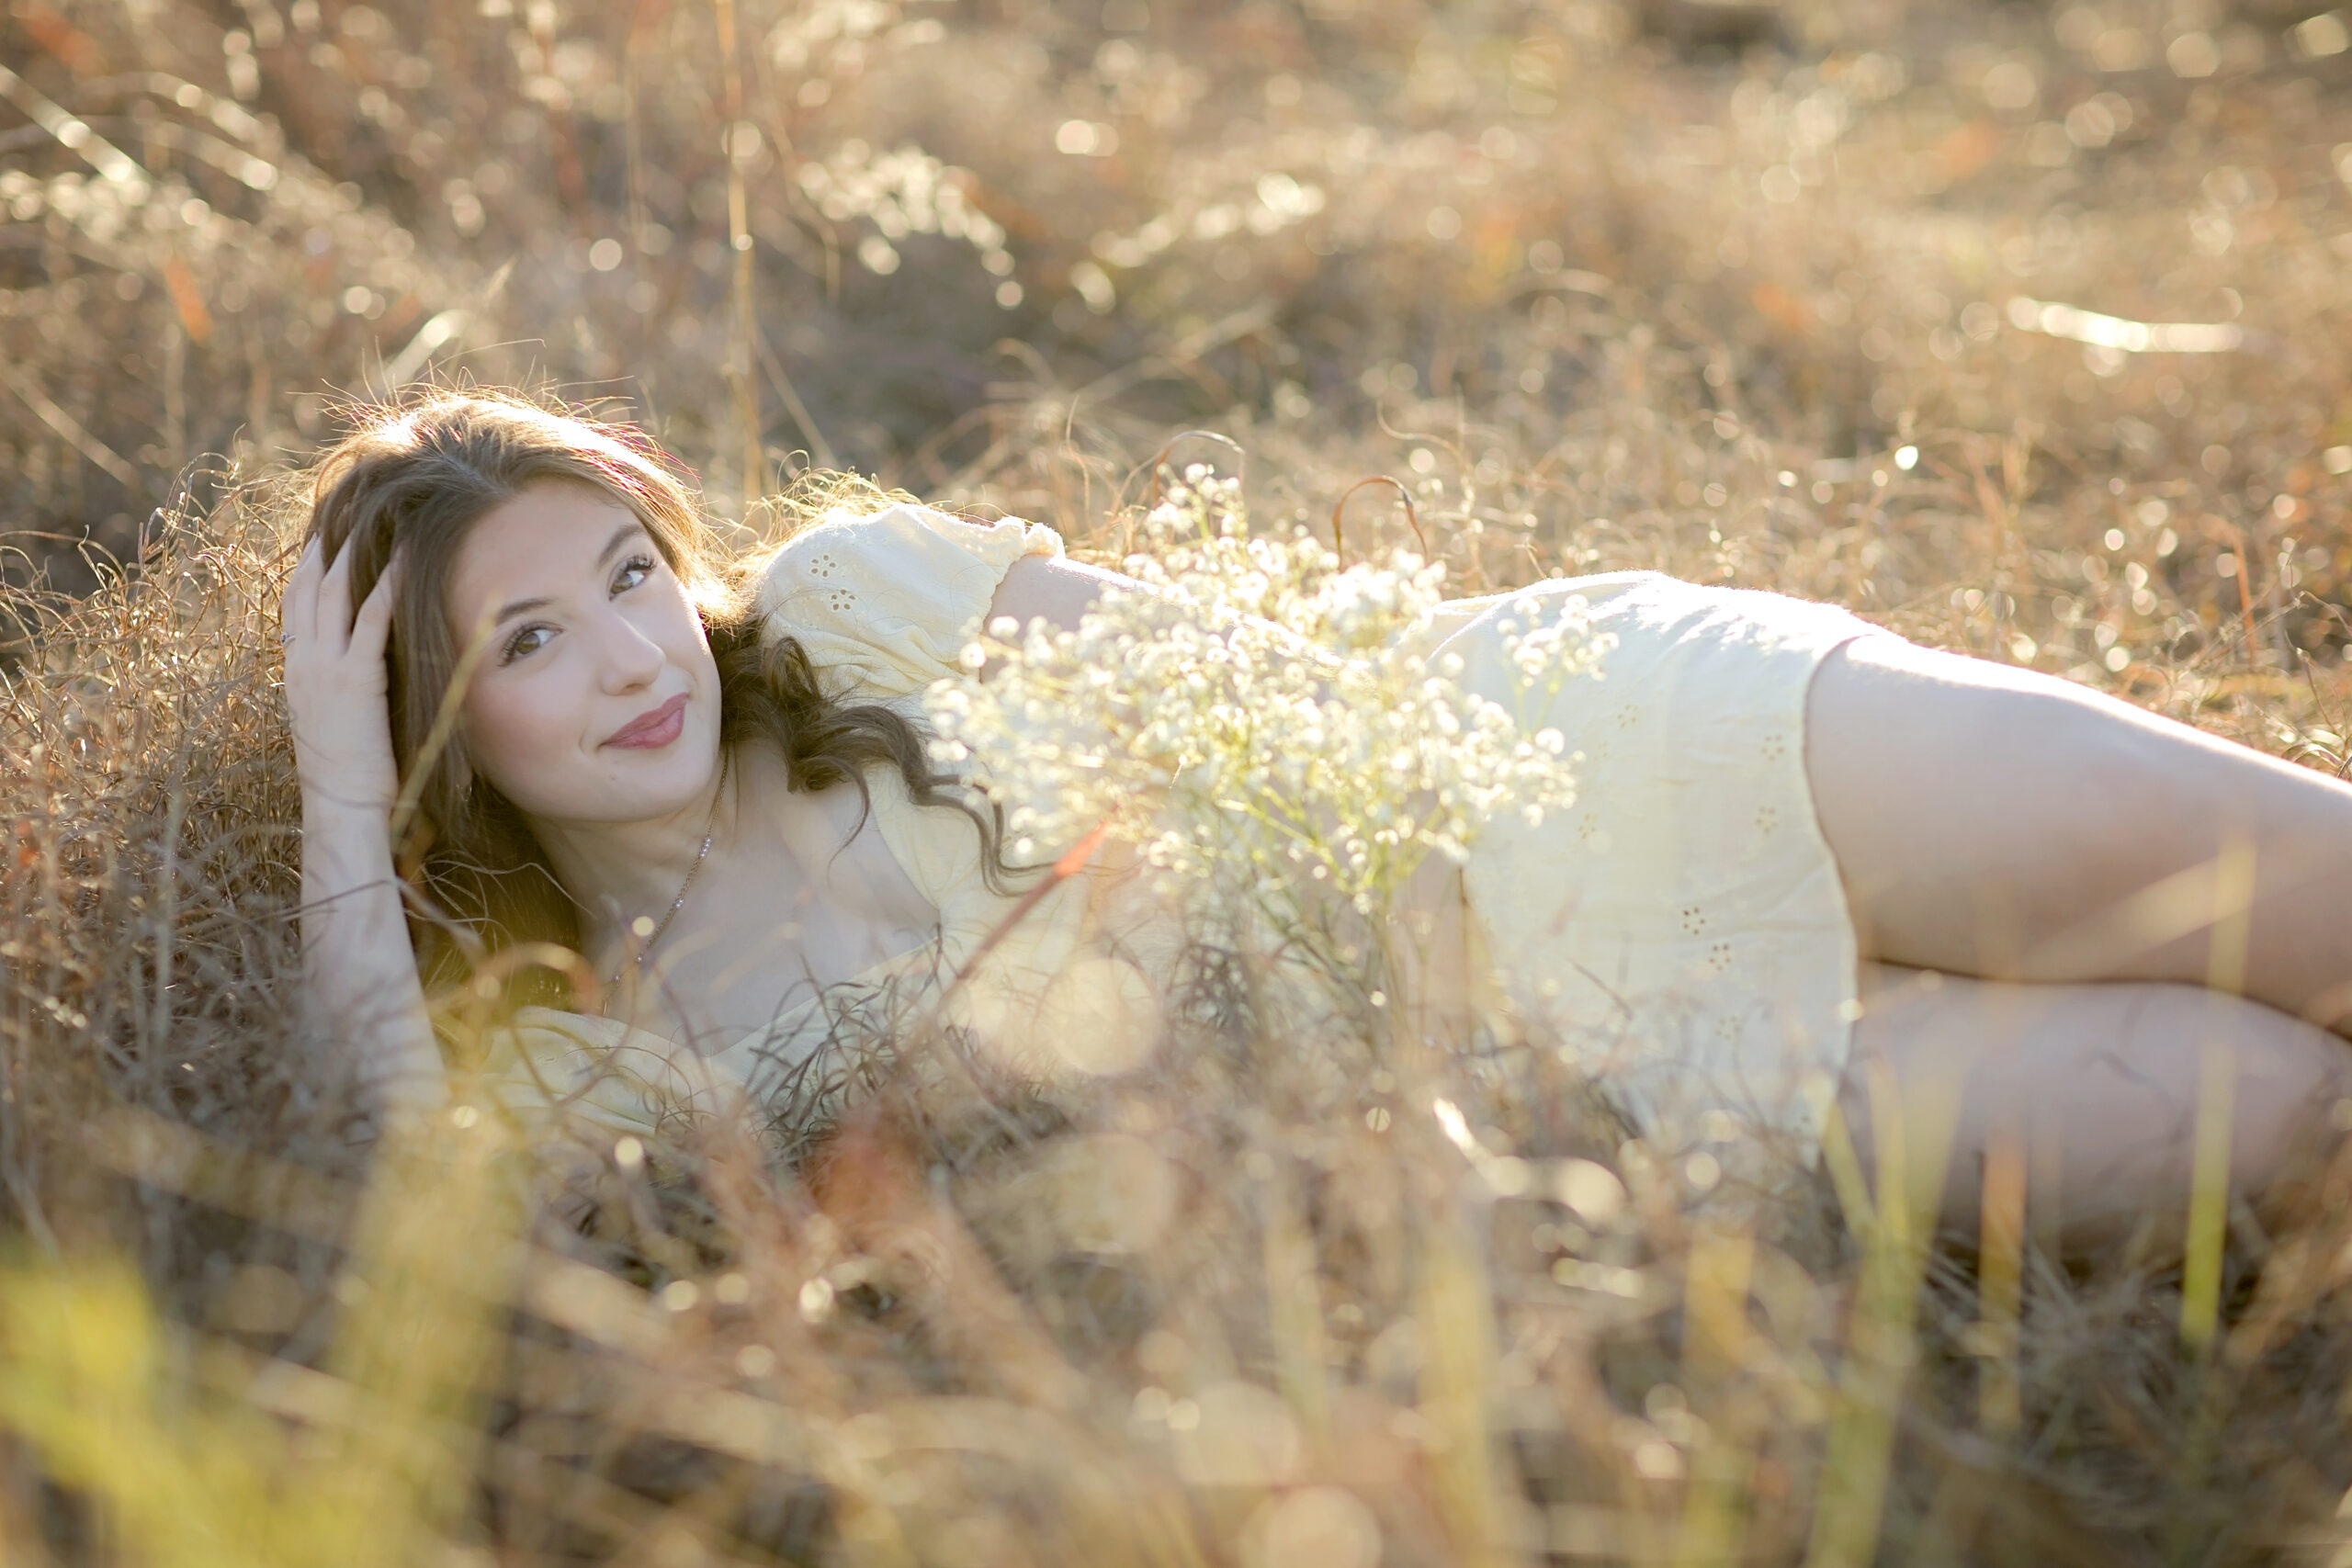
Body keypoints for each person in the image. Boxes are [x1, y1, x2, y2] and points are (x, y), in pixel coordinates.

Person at [280, 392, 2352, 1238]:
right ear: (439, 735)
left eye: (627, 575)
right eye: (528, 641)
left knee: (2257, 871)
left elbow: (1269, 675)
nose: (637, 660)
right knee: (2265, 1114)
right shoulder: (581, 1045)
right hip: (1568, 1080)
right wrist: (332, 794)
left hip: (1563, 757)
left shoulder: (847, 605)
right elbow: (409, 1195)